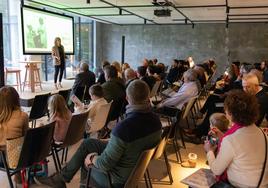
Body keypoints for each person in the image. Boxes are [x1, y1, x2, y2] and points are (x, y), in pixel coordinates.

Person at [37, 80, 162, 188]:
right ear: (147, 96)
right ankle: (62, 177)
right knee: (88, 143)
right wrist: (110, 141)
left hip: (116, 179)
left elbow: (104, 164)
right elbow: (129, 144)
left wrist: (91, 158)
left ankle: (63, 179)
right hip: (135, 170)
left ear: (127, 99)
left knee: (86, 161)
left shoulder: (124, 128)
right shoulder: (156, 121)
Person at [204, 90, 268, 187]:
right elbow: (241, 150)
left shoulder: (231, 139)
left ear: (229, 113)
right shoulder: (262, 133)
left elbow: (217, 170)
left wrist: (209, 151)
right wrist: (222, 136)